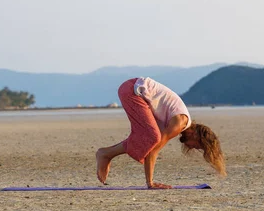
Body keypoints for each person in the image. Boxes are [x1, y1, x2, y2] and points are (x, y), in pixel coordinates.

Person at [96, 77, 226, 189]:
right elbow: (154, 150)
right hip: (133, 90)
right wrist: (150, 183)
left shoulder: (177, 120)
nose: (192, 147)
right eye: (197, 146)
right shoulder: (179, 123)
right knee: (153, 138)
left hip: (132, 89)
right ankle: (105, 154)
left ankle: (106, 153)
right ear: (196, 136)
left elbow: (151, 147)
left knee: (146, 138)